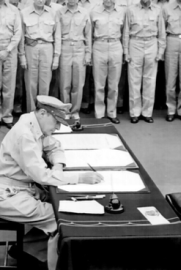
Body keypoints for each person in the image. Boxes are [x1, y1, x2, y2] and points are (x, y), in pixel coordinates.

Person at [0, 95, 104, 270]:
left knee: (63, 205)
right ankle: (54, 265)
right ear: (43, 113)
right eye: (56, 121)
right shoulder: (25, 134)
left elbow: (54, 146)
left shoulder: (33, 122)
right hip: (8, 194)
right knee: (61, 218)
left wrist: (58, 164)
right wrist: (79, 178)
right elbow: (41, 175)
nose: (57, 127)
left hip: (23, 187)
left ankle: (26, 250)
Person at [124, 0, 166, 123]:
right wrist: (126, 51)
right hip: (135, 43)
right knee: (134, 80)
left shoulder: (158, 9)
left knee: (150, 80)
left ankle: (147, 112)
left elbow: (161, 32)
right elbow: (126, 31)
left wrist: (160, 52)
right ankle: (135, 113)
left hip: (152, 43)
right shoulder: (131, 9)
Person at [20, 0, 61, 113]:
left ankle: (43, 113)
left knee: (45, 83)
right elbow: (21, 37)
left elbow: (57, 35)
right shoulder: (24, 13)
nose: (40, 0)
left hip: (47, 48)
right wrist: (22, 56)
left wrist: (56, 57)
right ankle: (31, 113)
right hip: (30, 48)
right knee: (30, 83)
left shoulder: (53, 13)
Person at [90, 0, 126, 124]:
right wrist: (89, 52)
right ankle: (99, 114)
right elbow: (89, 33)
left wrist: (125, 51)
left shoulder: (122, 12)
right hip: (99, 46)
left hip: (116, 45)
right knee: (99, 83)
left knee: (113, 84)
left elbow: (125, 32)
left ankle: (111, 112)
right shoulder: (94, 11)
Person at [57, 0, 91, 120]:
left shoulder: (85, 13)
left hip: (79, 48)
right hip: (64, 47)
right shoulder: (59, 12)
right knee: (64, 83)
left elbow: (88, 35)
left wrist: (88, 53)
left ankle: (75, 111)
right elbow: (56, 33)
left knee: (78, 83)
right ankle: (65, 111)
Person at [0, 0, 21, 129]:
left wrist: (7, 50)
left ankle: (7, 116)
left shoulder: (14, 10)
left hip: (10, 50)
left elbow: (18, 32)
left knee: (9, 86)